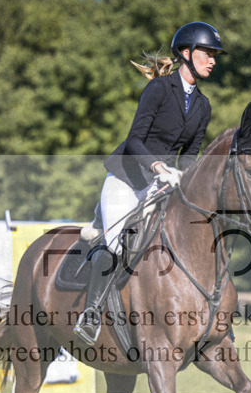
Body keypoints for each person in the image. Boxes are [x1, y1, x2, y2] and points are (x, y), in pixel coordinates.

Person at [74, 21, 226, 346]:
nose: (213, 60)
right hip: (127, 178)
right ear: (185, 53)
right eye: (207, 53)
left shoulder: (203, 105)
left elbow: (190, 154)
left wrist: (183, 176)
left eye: (215, 55)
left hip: (161, 184)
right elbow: (134, 140)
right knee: (115, 243)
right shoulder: (159, 89)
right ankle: (89, 314)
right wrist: (158, 166)